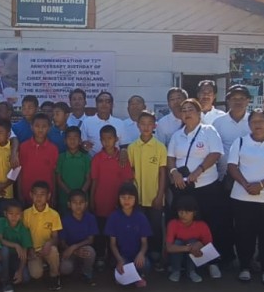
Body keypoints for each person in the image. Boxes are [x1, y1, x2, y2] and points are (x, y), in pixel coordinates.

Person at [226, 110, 264, 285]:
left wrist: (260, 185)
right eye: (253, 121)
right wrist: (246, 185)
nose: (257, 125)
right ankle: (245, 266)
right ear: (249, 124)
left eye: (261, 121)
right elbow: (232, 166)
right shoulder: (240, 142)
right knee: (244, 233)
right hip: (241, 196)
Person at [166, 98, 226, 259]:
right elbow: (170, 157)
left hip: (206, 187)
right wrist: (174, 172)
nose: (186, 113)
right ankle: (184, 262)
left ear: (199, 113)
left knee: (209, 224)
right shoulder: (177, 135)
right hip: (183, 188)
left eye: (190, 109)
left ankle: (211, 262)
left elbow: (215, 153)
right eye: (183, 110)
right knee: (182, 224)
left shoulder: (209, 130)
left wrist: (199, 170)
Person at [126, 110, 167, 262]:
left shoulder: (160, 147)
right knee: (138, 227)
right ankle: (138, 256)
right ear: (138, 125)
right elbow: (130, 173)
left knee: (155, 227)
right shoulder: (132, 147)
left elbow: (162, 173)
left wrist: (160, 195)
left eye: (150, 124)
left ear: (154, 126)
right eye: (143, 124)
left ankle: (155, 254)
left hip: (155, 196)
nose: (146, 127)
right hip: (138, 197)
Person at [90, 125, 134, 262]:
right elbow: (94, 181)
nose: (107, 142)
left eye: (110, 138)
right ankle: (101, 257)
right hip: (101, 202)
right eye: (103, 139)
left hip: (118, 204)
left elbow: (127, 181)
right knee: (101, 232)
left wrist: (126, 203)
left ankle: (115, 258)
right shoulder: (97, 158)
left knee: (117, 232)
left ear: (116, 139)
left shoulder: (122, 158)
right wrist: (91, 200)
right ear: (100, 140)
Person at [106, 182, 151, 287]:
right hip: (121, 256)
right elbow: (112, 244)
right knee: (121, 275)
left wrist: (141, 254)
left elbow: (144, 242)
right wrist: (119, 259)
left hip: (136, 256)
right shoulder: (114, 217)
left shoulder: (141, 217)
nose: (126, 200)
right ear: (118, 198)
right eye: (123, 197)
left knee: (145, 265)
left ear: (135, 199)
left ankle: (139, 276)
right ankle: (131, 278)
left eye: (130, 197)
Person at [23, 181, 64, 290]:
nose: (39, 197)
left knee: (54, 251)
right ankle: (44, 268)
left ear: (48, 196)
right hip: (34, 251)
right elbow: (24, 235)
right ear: (31, 195)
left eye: (42, 194)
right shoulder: (26, 214)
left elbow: (56, 237)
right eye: (36, 194)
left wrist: (49, 243)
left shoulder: (54, 214)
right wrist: (30, 249)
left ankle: (54, 276)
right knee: (36, 274)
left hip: (47, 249)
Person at [166, 196, 216, 283]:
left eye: (187, 211)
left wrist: (199, 244)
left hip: (196, 258)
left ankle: (191, 271)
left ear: (195, 212)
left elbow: (209, 246)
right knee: (178, 242)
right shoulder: (173, 224)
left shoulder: (202, 225)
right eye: (180, 211)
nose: (183, 214)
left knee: (194, 241)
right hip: (177, 257)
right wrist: (189, 248)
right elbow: (169, 247)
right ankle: (176, 270)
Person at [214, 84, 254, 180]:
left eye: (242, 98)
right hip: (223, 175)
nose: (238, 101)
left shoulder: (254, 121)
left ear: (248, 100)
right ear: (228, 101)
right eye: (234, 98)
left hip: (250, 176)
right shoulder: (218, 122)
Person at [18, 113, 59, 205]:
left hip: (46, 195)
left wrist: (54, 195)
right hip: (27, 193)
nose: (40, 129)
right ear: (31, 127)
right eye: (37, 126)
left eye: (44, 126)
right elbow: (20, 171)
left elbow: (54, 173)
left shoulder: (53, 149)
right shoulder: (23, 147)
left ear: (49, 128)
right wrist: (19, 193)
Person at [0, 199, 33, 292]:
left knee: (25, 278)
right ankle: (5, 282)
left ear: (21, 215)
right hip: (1, 256)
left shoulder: (23, 230)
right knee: (5, 250)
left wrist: (20, 271)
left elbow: (24, 254)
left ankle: (13, 275)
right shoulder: (1, 222)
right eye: (11, 213)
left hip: (16, 258)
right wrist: (15, 245)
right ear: (5, 213)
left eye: (17, 214)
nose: (14, 217)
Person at [59, 189, 97, 284]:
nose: (78, 205)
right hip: (70, 251)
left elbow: (90, 240)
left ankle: (87, 272)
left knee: (90, 252)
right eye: (75, 203)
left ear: (86, 204)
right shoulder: (65, 220)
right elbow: (62, 242)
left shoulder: (90, 218)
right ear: (69, 204)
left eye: (81, 202)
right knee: (65, 269)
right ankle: (75, 270)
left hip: (83, 249)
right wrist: (73, 251)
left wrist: (75, 247)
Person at [56, 126, 91, 207]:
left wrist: (79, 195)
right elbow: (59, 179)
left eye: (75, 137)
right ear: (65, 141)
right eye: (69, 137)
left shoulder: (86, 158)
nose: (72, 140)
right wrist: (70, 194)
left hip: (82, 200)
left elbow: (88, 180)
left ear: (80, 141)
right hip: (65, 198)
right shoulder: (61, 157)